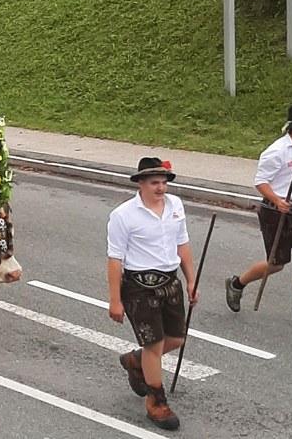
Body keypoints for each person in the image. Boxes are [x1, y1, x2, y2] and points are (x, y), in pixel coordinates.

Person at [107, 157, 194, 431]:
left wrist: (191, 280)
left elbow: (183, 243)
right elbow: (114, 259)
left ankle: (134, 361)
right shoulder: (122, 215)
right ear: (141, 184)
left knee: (176, 339)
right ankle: (156, 403)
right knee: (154, 346)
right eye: (155, 183)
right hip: (139, 287)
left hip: (171, 283)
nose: (161, 188)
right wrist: (115, 299)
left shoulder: (175, 206)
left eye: (164, 182)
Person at [224, 103, 292, 328]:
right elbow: (260, 181)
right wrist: (277, 200)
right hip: (275, 212)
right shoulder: (277, 151)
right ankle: (237, 284)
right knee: (277, 264)